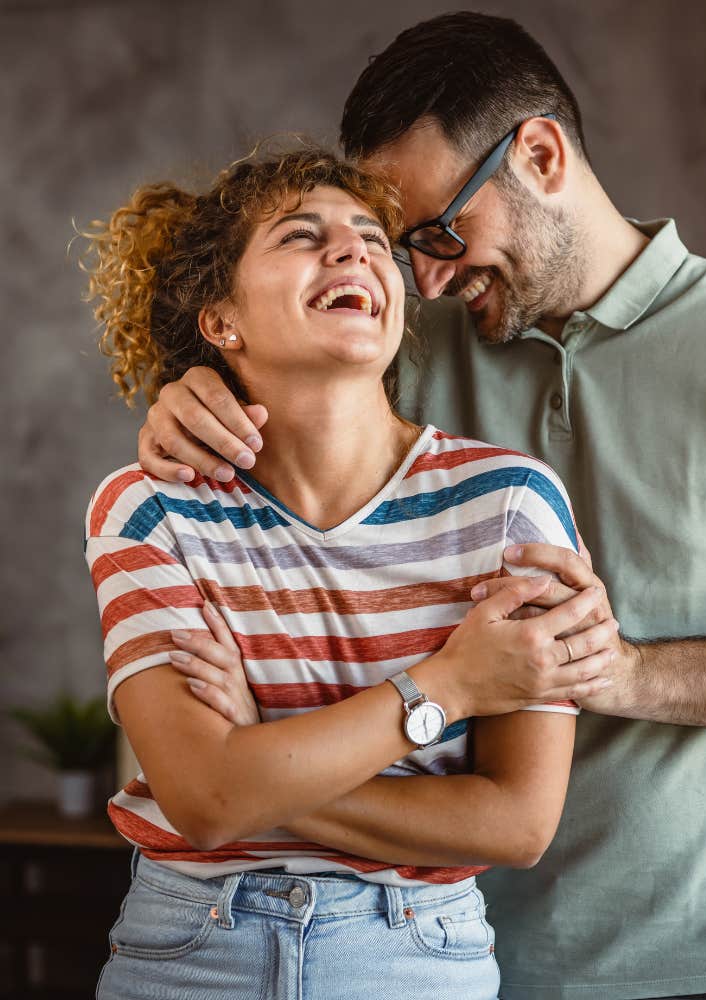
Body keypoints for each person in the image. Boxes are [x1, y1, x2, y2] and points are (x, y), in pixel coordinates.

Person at [136, 12, 706, 1000]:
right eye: (404, 248)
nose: (426, 276)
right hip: (435, 955)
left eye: (440, 231)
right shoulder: (405, 345)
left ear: (541, 156)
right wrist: (191, 396)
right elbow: (268, 416)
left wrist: (625, 673)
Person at [83, 146, 620, 1000]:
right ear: (221, 320)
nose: (355, 251)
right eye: (302, 236)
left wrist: (257, 767)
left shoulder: (510, 504)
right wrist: (449, 684)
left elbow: (515, 823)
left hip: (414, 955)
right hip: (189, 951)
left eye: (373, 238)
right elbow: (206, 804)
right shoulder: (150, 508)